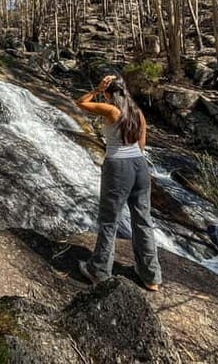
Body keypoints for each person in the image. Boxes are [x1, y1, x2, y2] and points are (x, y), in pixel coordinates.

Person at [75, 74, 162, 291]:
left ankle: (99, 270)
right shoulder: (137, 113)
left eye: (105, 92)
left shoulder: (112, 110)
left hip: (118, 166)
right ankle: (151, 276)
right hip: (140, 165)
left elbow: (81, 103)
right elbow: (142, 144)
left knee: (109, 220)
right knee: (143, 219)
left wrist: (96, 89)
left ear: (109, 92)